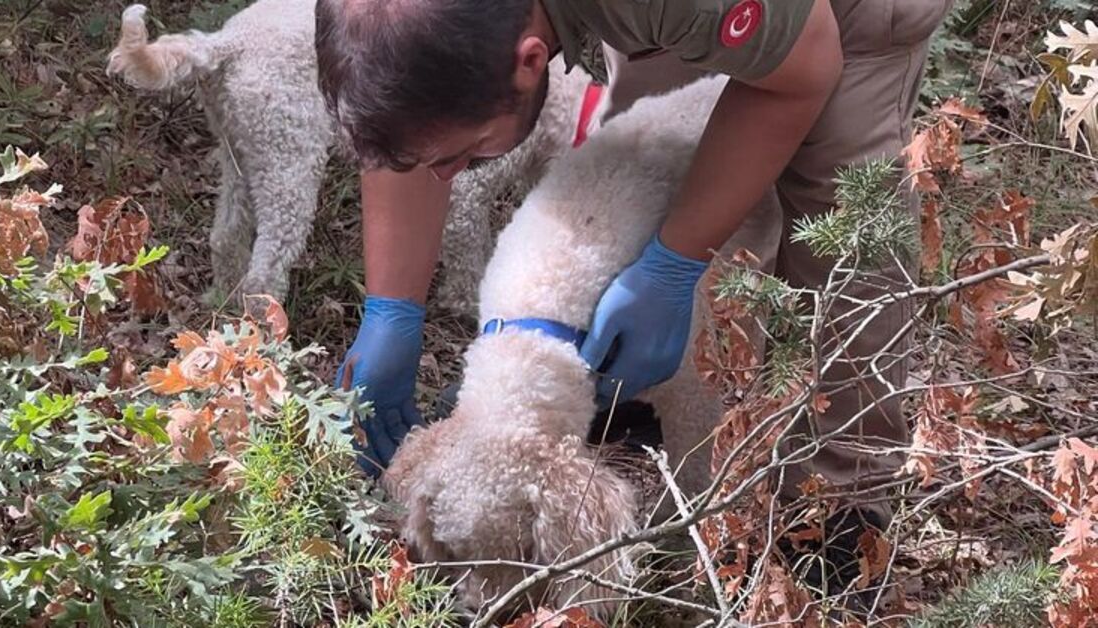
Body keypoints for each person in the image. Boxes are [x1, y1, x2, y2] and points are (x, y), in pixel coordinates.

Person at [317, 0, 952, 595]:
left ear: (531, 60)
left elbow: (806, 64)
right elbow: (410, 94)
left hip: (836, 22)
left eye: (464, 154)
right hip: (676, 14)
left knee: (845, 224)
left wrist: (675, 263)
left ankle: (839, 513)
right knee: (652, 147)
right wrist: (391, 309)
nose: (448, 176)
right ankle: (651, 413)